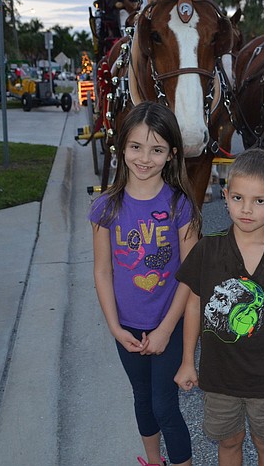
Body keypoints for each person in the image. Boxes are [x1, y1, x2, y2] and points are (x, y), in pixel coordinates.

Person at [174, 148, 264, 466]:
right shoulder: (207, 250)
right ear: (225, 196)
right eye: (238, 198)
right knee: (228, 442)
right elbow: (193, 307)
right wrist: (186, 361)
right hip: (218, 378)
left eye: (259, 201)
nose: (246, 209)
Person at [89, 102, 200, 466]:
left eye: (156, 150)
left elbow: (190, 274)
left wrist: (168, 329)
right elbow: (103, 271)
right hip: (127, 328)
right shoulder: (106, 207)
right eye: (136, 147)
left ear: (171, 155)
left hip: (168, 322)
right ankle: (154, 461)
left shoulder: (179, 205)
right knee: (142, 397)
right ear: (122, 147)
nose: (145, 158)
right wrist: (115, 327)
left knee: (164, 405)